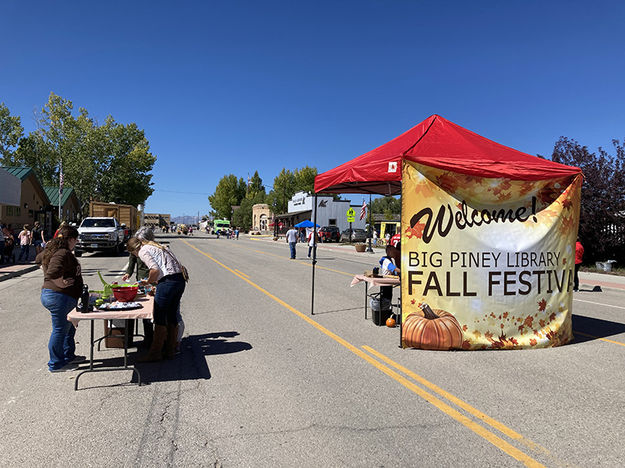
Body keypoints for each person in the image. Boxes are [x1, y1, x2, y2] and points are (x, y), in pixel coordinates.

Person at [127, 236, 186, 361]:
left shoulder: (143, 250)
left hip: (168, 282)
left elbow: (155, 269)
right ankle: (170, 349)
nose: (136, 257)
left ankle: (155, 353)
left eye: (134, 254)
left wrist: (148, 282)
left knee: (159, 316)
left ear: (134, 250)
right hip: (179, 281)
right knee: (171, 315)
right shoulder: (156, 245)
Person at [37, 225, 85, 372]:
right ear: (70, 239)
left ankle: (68, 355)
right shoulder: (62, 253)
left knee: (68, 328)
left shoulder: (53, 250)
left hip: (61, 296)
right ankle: (56, 363)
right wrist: (59, 282)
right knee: (59, 330)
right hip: (59, 296)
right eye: (75, 240)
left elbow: (38, 260)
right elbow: (51, 273)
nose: (76, 243)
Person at [122, 226, 155, 348]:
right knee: (137, 308)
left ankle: (149, 338)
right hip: (140, 280)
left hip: (152, 281)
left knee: (149, 311)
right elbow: (132, 261)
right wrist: (128, 273)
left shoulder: (153, 248)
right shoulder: (135, 247)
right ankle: (128, 339)